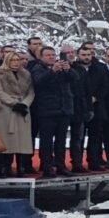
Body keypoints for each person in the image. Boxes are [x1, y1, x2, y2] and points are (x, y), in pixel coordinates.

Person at [29, 47, 76, 178]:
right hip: (47, 110)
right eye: (48, 55)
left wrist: (68, 70)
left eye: (52, 55)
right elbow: (39, 82)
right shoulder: (38, 68)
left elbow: (75, 78)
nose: (51, 57)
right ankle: (47, 166)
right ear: (41, 57)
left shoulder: (62, 67)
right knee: (46, 141)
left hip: (64, 109)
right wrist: (52, 71)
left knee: (61, 141)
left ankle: (61, 165)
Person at [0, 51, 34, 178]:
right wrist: (14, 103)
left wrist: (24, 104)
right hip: (6, 110)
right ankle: (4, 167)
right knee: (6, 141)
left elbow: (31, 92)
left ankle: (21, 167)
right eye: (13, 60)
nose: (16, 62)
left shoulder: (26, 74)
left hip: (23, 110)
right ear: (7, 61)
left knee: (22, 141)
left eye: (18, 60)